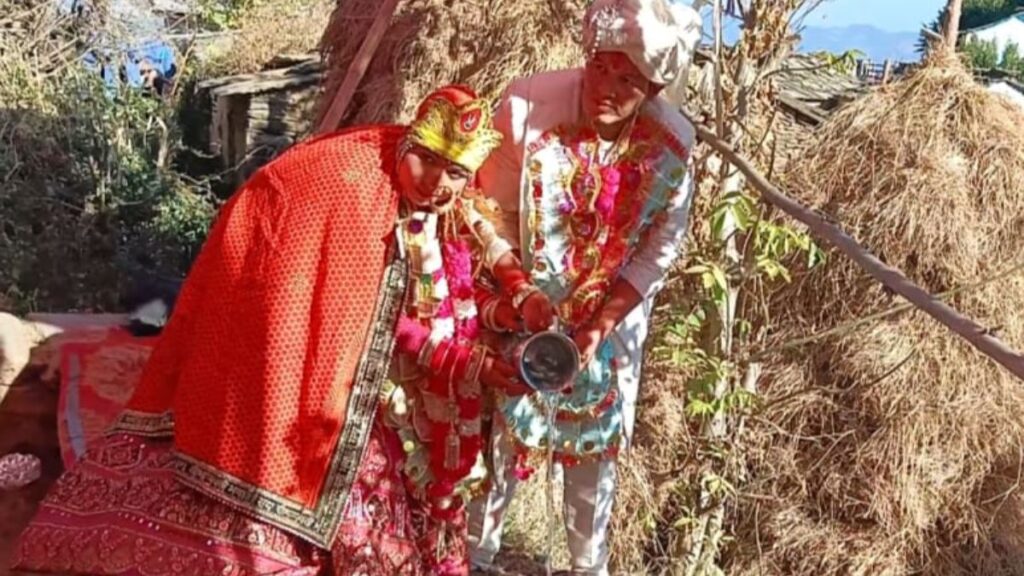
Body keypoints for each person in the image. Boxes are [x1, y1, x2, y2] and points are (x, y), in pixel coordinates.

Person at [13, 85, 547, 576]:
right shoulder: (353, 188)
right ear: (407, 138)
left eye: (455, 172)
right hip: (320, 366)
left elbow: (444, 288)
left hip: (388, 390)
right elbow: (359, 313)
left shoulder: (447, 209)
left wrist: (509, 310)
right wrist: (467, 362)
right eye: (426, 161)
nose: (436, 183)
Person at [467, 1, 703, 574]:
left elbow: (656, 252)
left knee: (595, 452)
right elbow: (486, 208)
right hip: (520, 299)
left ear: (652, 87)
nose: (607, 87)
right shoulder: (528, 106)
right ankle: (475, 555)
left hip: (610, 319)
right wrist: (520, 290)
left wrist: (602, 323)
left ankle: (586, 565)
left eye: (628, 79)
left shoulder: (672, 147)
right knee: (501, 428)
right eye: (601, 66)